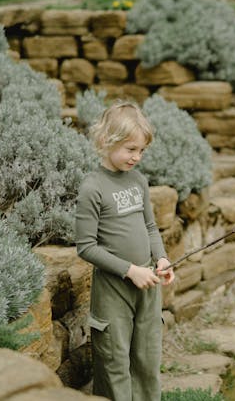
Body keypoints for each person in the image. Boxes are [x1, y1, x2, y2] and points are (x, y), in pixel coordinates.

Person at [75, 100, 175, 401]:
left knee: (146, 359)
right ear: (107, 141)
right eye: (131, 149)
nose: (137, 157)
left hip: (147, 284)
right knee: (114, 361)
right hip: (114, 289)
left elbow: (150, 227)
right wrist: (130, 271)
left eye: (141, 151)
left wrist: (161, 258)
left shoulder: (139, 182)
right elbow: (86, 247)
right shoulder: (92, 187)